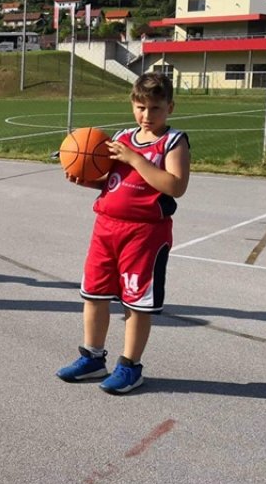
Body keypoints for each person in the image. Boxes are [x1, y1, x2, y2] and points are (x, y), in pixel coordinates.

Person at [56, 72, 191, 394]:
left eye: (155, 108)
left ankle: (130, 367)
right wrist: (88, 180)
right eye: (141, 107)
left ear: (170, 107)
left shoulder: (173, 142)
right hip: (106, 228)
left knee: (137, 303)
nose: (147, 116)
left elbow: (175, 186)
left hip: (145, 235)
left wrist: (135, 158)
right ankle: (92, 357)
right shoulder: (122, 137)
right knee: (93, 295)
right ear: (133, 104)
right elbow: (114, 182)